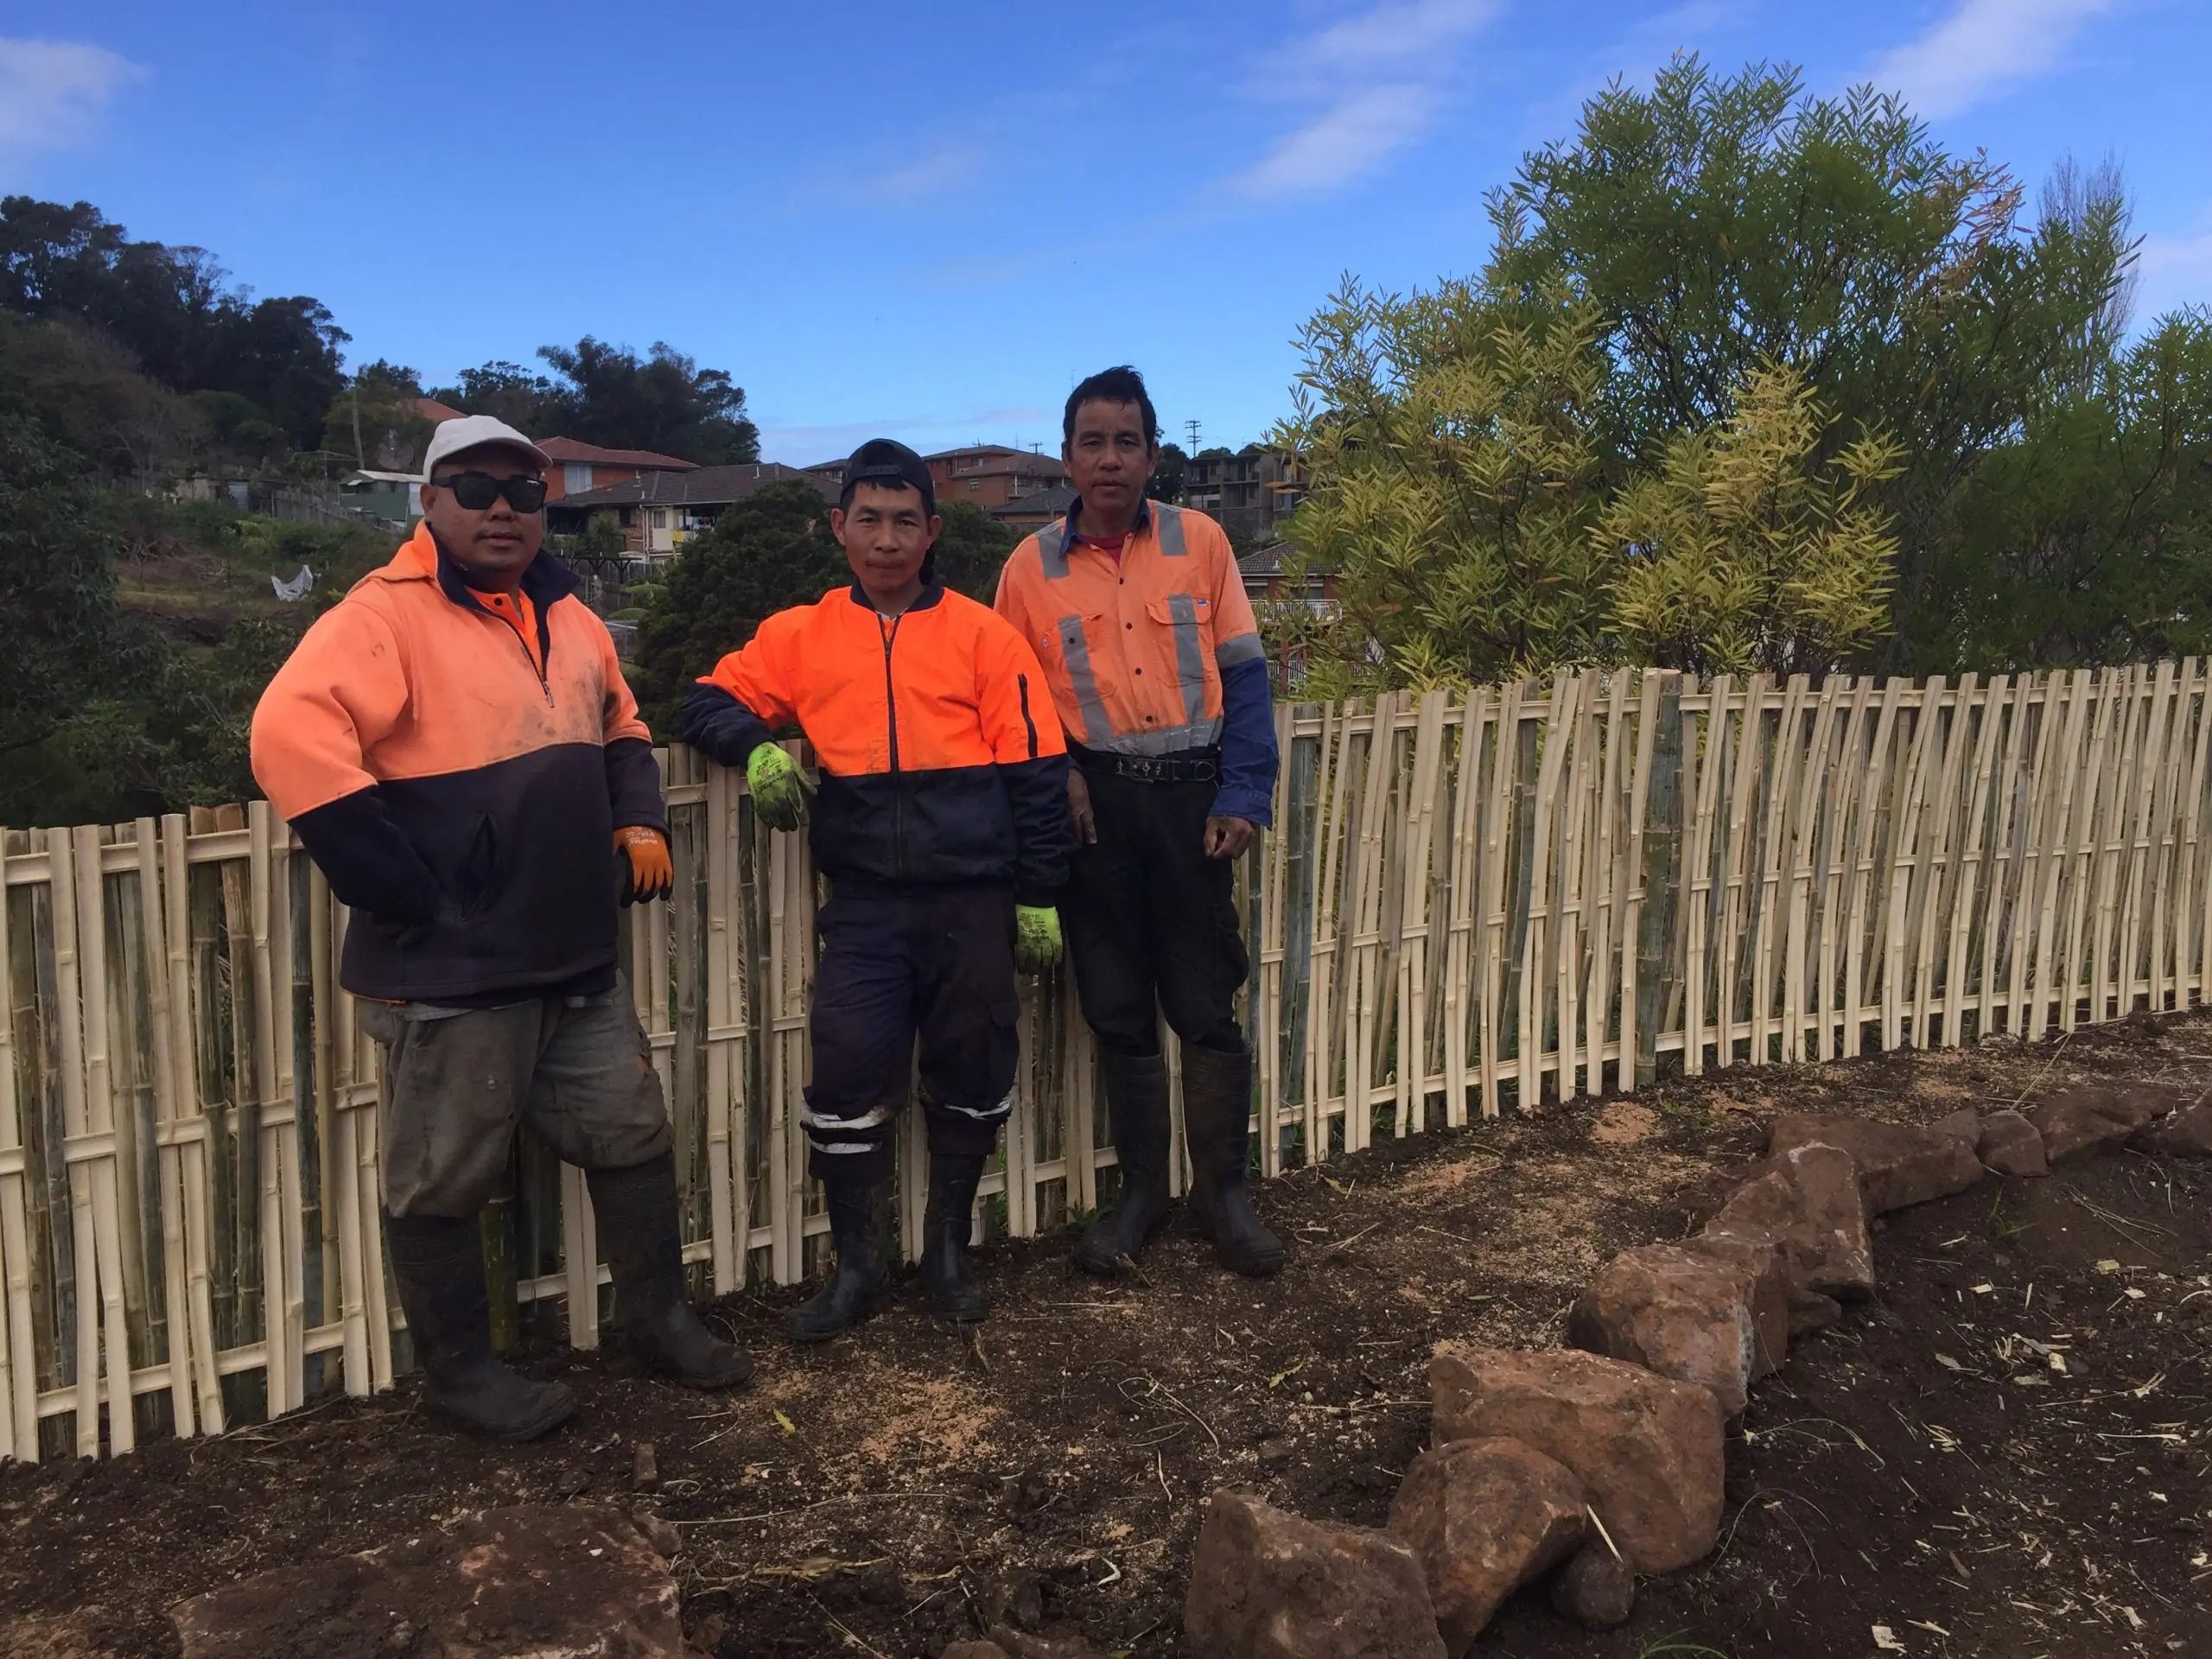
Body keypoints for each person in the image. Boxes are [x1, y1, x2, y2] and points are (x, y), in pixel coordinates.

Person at [251, 414, 751, 1443]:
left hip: (574, 954)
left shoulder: (571, 617)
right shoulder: (381, 617)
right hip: (451, 969)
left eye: (524, 493)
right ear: (427, 502)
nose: (501, 510)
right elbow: (289, 734)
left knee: (631, 1133)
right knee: (443, 1173)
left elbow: (622, 723)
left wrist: (639, 812)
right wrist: (399, 888)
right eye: (474, 488)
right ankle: (461, 1377)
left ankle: (656, 1319)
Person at [680, 439, 1071, 1338]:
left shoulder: (984, 635)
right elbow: (704, 700)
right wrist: (760, 749)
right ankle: (858, 1267)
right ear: (838, 528)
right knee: (848, 1071)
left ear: (932, 531)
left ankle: (945, 1252)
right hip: (864, 905)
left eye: (906, 521)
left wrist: (1038, 894)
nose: (887, 539)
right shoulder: (802, 635)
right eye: (869, 520)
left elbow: (1037, 776)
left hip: (971, 896)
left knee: (973, 1068)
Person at [995, 367, 1284, 1279]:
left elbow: (1243, 679)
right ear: (1068, 458)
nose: (1109, 458)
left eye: (1126, 441)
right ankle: (1143, 1196)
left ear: (1151, 455)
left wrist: (1243, 793)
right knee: (1116, 1007)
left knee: (1203, 1004)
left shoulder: (1199, 543)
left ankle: (1223, 1197)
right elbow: (1010, 699)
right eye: (1092, 441)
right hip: (1095, 812)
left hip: (1192, 801)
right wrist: (1056, 778)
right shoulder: (1026, 568)